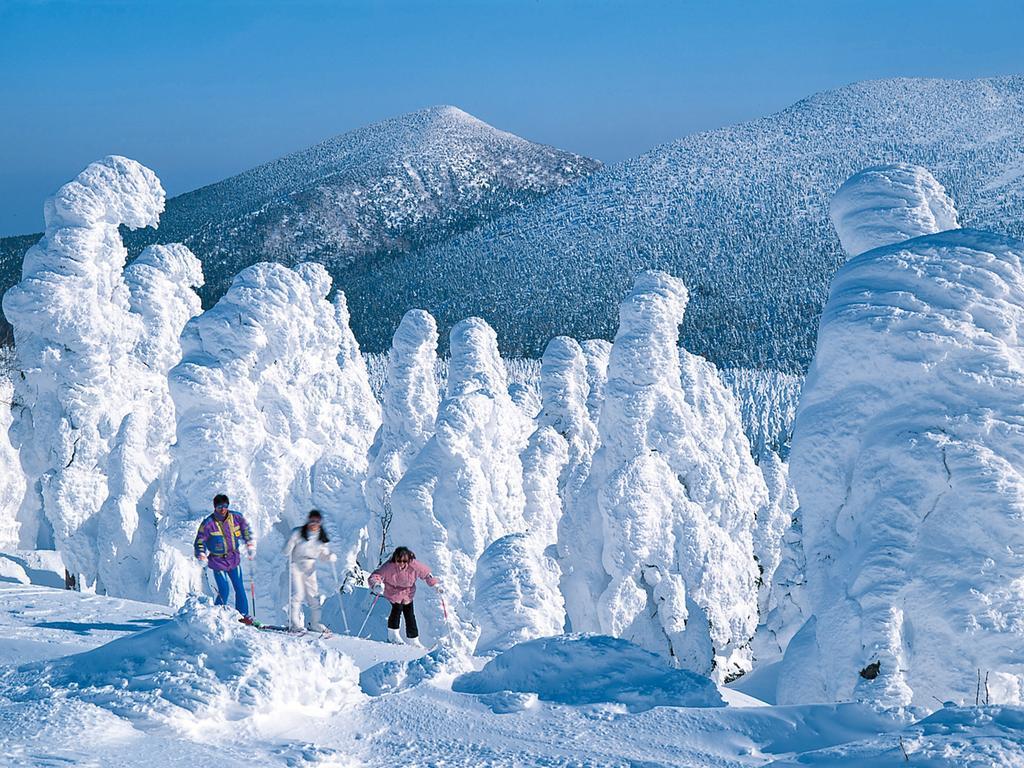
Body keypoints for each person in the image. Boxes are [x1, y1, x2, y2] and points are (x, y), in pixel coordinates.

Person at [194, 493, 255, 621]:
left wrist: (249, 543)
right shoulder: (208, 523)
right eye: (219, 507)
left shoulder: (236, 517)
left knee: (239, 587)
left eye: (225, 506)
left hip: (233, 558)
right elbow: (200, 540)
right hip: (218, 561)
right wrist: (201, 553)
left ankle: (243, 616)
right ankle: (216, 616)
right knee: (224, 589)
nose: (222, 509)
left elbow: (245, 529)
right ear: (215, 507)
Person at [368, 546, 441, 648]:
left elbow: (427, 574)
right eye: (399, 561)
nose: (402, 564)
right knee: (397, 610)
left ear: (409, 560)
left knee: (410, 615)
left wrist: (434, 585)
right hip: (393, 591)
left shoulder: (414, 565)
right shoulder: (389, 566)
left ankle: (413, 640)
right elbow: (375, 575)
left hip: (408, 592)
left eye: (404, 561)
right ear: (395, 559)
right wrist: (376, 585)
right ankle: (393, 635)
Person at [283, 509, 338, 632]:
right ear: (308, 521)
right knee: (298, 594)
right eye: (312, 520)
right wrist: (290, 543)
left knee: (313, 597)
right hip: (295, 565)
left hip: (310, 566)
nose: (314, 523)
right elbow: (286, 551)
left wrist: (329, 557)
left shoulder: (321, 538)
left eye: (316, 521)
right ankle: (294, 623)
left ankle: (315, 623)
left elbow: (323, 556)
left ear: (320, 522)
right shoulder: (298, 533)